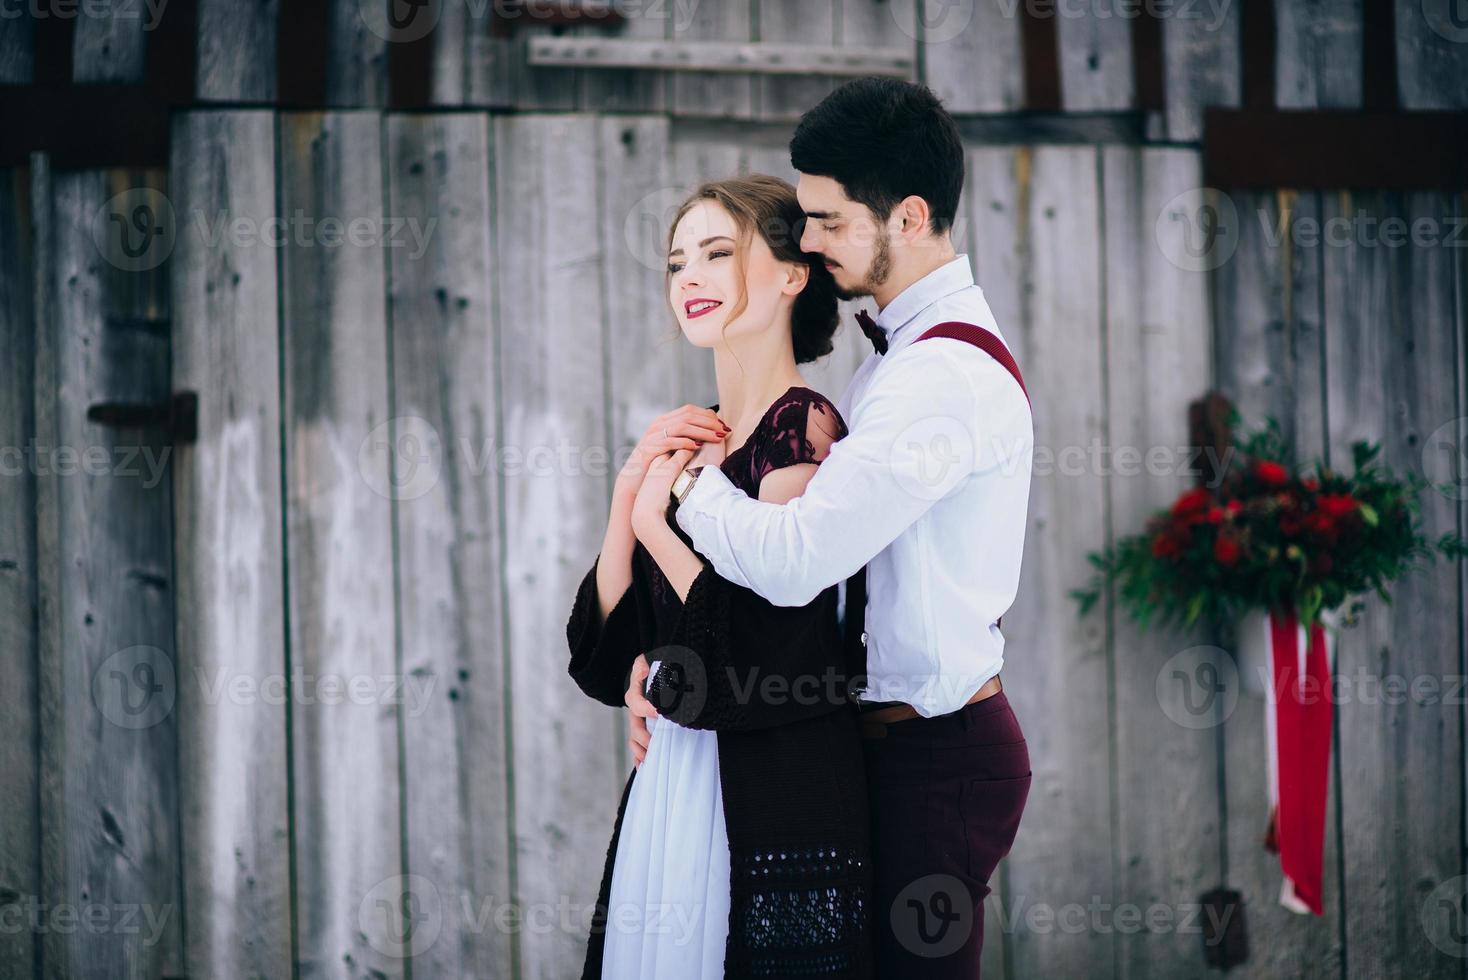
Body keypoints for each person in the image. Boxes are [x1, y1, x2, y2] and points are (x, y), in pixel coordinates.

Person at [628, 77, 1036, 976]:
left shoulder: (940, 382)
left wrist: (687, 486)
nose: (808, 240)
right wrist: (666, 667)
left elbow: (797, 564)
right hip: (879, 743)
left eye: (830, 220)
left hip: (936, 757)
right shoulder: (897, 364)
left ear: (910, 217)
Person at [565, 174, 875, 978]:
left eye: (716, 253)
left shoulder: (800, 428)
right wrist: (628, 497)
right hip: (676, 773)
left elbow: (771, 642)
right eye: (675, 263)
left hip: (770, 786)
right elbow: (609, 658)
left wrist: (654, 528)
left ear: (790, 273)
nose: (689, 278)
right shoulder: (695, 442)